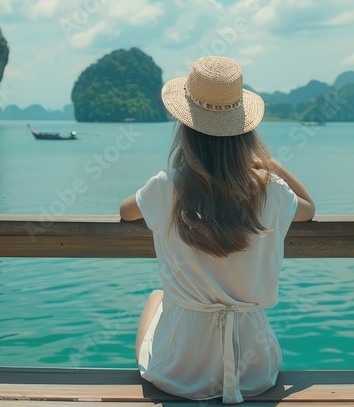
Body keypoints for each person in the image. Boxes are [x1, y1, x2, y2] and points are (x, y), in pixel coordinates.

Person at [119, 55, 315, 403]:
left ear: (185, 131)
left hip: (180, 369)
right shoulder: (269, 190)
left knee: (156, 297)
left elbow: (125, 211)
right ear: (244, 133)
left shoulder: (168, 187)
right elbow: (310, 210)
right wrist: (273, 165)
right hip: (254, 371)